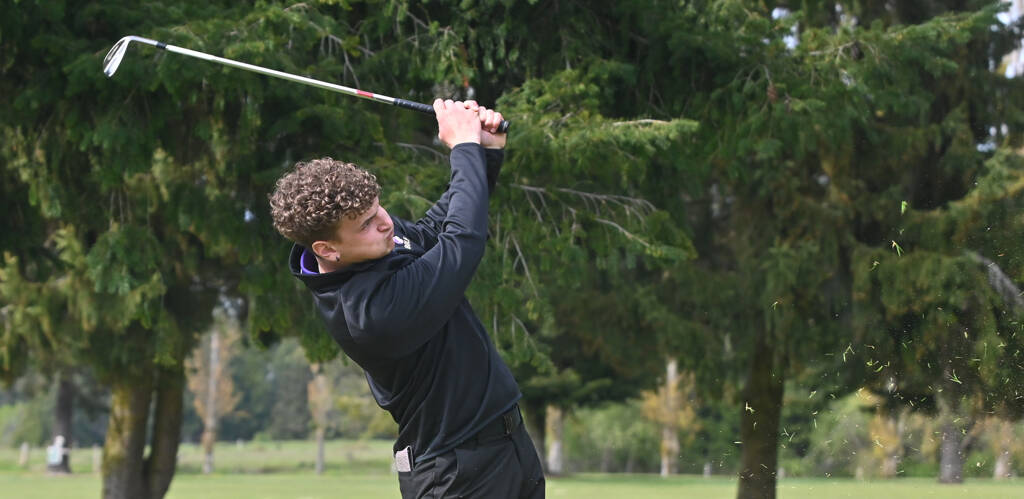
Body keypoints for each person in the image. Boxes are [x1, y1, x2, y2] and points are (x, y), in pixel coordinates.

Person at [269, 99, 545, 498]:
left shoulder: (371, 245)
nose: (385, 222)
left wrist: (485, 152)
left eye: (378, 208)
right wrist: (462, 148)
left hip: (506, 449)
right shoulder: (371, 313)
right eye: (367, 223)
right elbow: (460, 244)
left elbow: (436, 229)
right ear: (327, 250)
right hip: (456, 476)